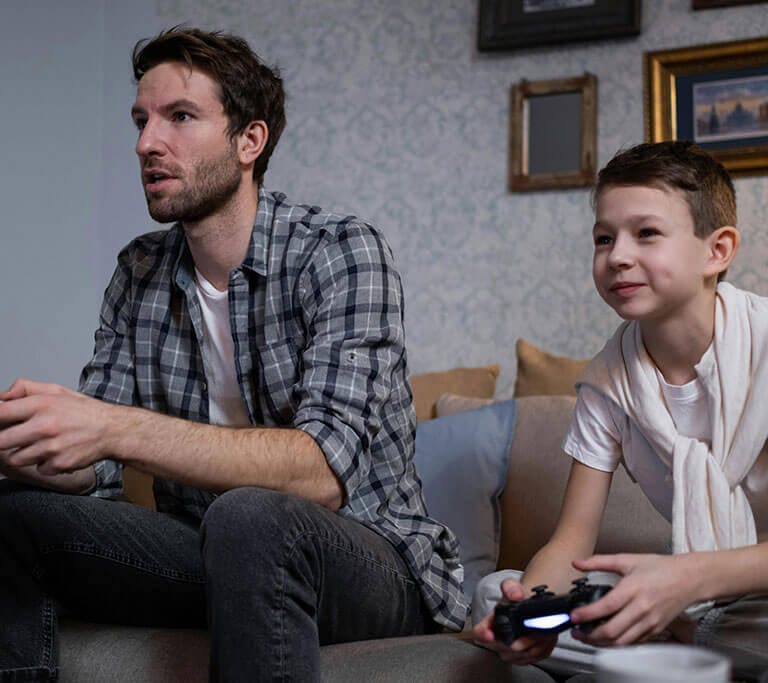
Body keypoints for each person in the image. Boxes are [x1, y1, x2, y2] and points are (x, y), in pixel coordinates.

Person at [0, 27, 469, 682]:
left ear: (250, 140)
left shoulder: (339, 251)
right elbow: (96, 475)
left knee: (248, 515)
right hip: (213, 552)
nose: (146, 143)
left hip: (369, 561)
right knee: (14, 515)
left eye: (179, 117)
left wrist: (111, 427)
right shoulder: (139, 272)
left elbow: (322, 474)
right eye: (141, 121)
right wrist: (31, 444)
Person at [473, 141, 768, 680]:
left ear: (717, 251)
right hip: (697, 602)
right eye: (604, 238)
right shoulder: (608, 382)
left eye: (646, 233)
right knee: (495, 595)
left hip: (743, 597)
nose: (617, 256)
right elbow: (571, 541)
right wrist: (531, 607)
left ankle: (684, 642)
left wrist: (687, 581)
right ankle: (688, 648)